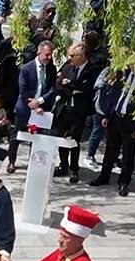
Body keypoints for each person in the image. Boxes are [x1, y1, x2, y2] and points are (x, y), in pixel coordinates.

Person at [89, 67, 135, 197]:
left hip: (131, 120)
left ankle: (124, 182)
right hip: (115, 117)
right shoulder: (123, 74)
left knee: (128, 153)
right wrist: (107, 116)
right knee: (110, 149)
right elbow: (113, 96)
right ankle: (104, 176)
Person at [52, 43, 99, 182]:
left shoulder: (92, 69)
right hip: (64, 108)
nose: (70, 58)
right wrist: (71, 86)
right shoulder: (68, 67)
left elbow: (87, 88)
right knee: (61, 139)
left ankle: (74, 169)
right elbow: (58, 85)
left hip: (79, 111)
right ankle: (63, 165)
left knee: (74, 140)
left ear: (81, 56)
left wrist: (70, 84)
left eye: (73, 56)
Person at [8, 40, 56, 172]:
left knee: (37, 137)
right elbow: (22, 89)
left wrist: (40, 101)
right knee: (16, 135)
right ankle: (11, 161)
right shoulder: (27, 68)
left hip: (41, 109)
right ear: (39, 52)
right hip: (25, 108)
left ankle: (34, 163)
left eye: (51, 55)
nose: (49, 57)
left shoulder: (52, 69)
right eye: (47, 54)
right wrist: (31, 104)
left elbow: (52, 89)